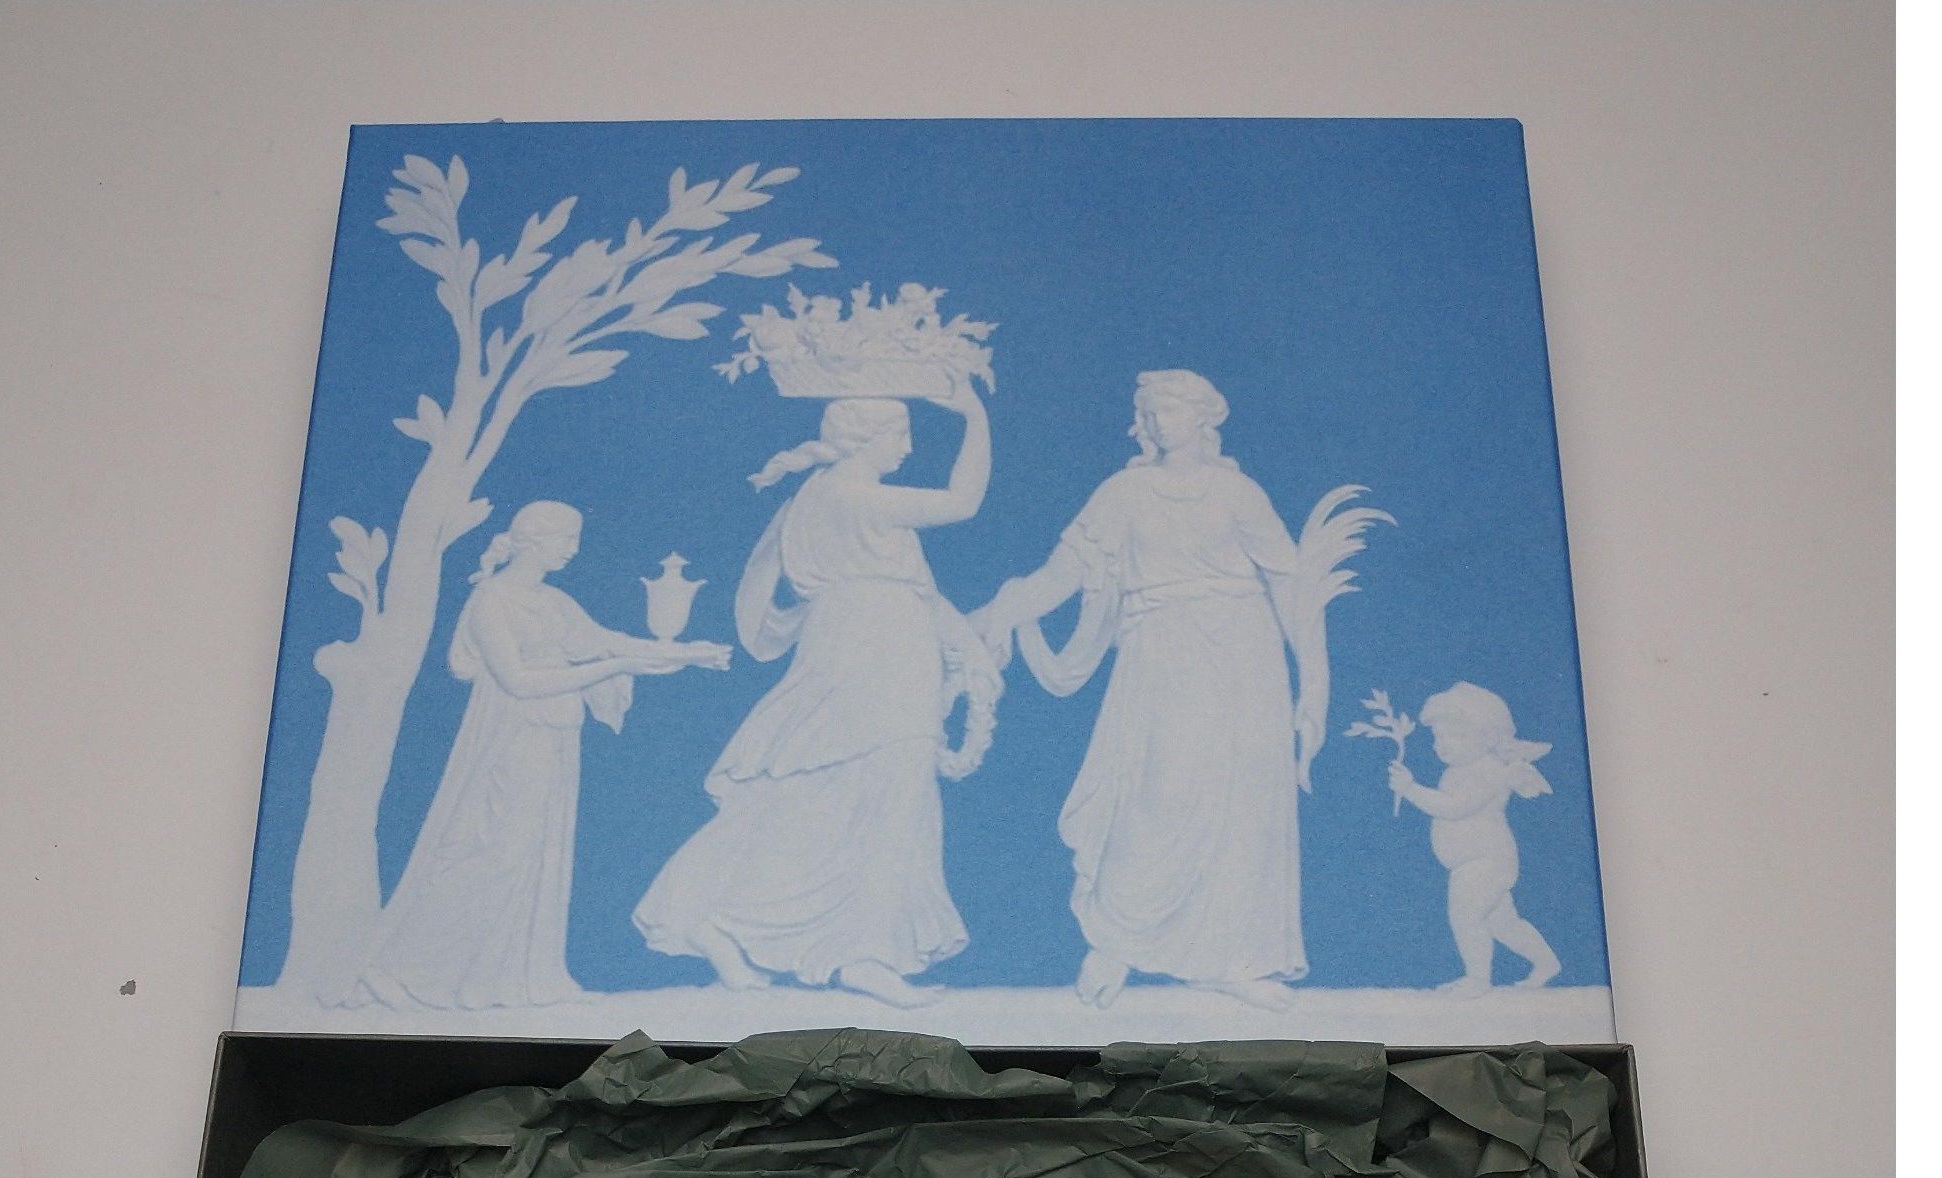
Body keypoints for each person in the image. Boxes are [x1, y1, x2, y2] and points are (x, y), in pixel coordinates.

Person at [969, 370, 1323, 1010]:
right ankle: (1118, 940)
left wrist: (1316, 681)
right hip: (1163, 650)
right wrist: (996, 613)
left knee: (1244, 805)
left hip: (1246, 654)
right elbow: (1060, 575)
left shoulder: (1238, 493)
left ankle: (1234, 959)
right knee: (1156, 793)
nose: (1159, 422)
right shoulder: (1124, 493)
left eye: (1170, 409)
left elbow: (1289, 587)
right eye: (1150, 412)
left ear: (1202, 417)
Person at [633, 380, 994, 1006]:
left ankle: (726, 923)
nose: (908, 448)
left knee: (831, 796)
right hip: (872, 651)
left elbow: (918, 587)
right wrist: (975, 417)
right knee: (887, 792)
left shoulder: (826, 499)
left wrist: (970, 649)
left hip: (875, 643)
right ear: (867, 436)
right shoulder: (855, 497)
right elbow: (963, 503)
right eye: (901, 434)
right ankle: (857, 953)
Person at [348, 501, 726, 1011]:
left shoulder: (553, 602)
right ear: (532, 540)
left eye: (574, 539)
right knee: (489, 853)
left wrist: (685, 652)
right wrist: (615, 665)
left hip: (552, 739)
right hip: (510, 740)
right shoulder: (492, 601)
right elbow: (519, 681)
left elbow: (606, 642)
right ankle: (399, 968)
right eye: (565, 539)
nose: (572, 550)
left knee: (534, 855)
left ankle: (503, 977)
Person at [1387, 682, 1560, 989]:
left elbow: (1455, 807)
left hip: (1484, 861)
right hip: (1477, 863)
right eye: (1438, 736)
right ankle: (1546, 963)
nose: (1443, 744)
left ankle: (1477, 979)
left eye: (1456, 735)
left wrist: (1410, 789)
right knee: (1503, 923)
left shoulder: (1488, 770)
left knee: (1465, 915)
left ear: (1488, 737)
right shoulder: (1459, 770)